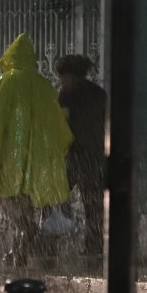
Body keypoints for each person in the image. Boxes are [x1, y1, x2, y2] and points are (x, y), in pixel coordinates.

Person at [0, 34, 73, 266]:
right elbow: (57, 125)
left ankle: (20, 248)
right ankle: (20, 250)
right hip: (37, 163)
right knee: (27, 209)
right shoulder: (43, 85)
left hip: (8, 163)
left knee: (15, 210)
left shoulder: (5, 82)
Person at [50, 54, 107, 257]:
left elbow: (59, 125)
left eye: (61, 76)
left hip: (74, 155)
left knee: (54, 196)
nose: (60, 80)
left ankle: (50, 242)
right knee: (93, 204)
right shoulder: (100, 93)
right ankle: (94, 246)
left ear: (69, 74)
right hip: (96, 155)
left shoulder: (66, 94)